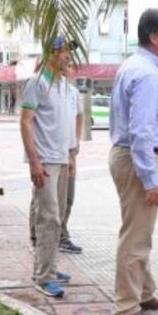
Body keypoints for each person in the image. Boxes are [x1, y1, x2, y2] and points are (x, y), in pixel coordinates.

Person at [109, 8, 158, 315]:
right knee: (136, 236)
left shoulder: (135, 66)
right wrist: (151, 178)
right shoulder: (146, 74)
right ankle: (126, 306)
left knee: (140, 230)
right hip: (139, 159)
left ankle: (144, 291)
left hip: (131, 156)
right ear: (154, 37)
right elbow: (140, 132)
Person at [21, 35, 74, 298]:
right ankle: (43, 278)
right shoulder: (37, 82)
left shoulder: (62, 85)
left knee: (58, 217)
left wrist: (71, 157)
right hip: (45, 162)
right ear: (51, 53)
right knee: (48, 218)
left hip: (61, 160)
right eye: (63, 51)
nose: (68, 56)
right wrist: (34, 162)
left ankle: (49, 267)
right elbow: (26, 122)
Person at [59, 63, 84, 254]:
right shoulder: (43, 87)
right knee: (48, 199)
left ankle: (62, 234)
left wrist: (75, 145)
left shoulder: (72, 92)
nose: (66, 66)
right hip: (51, 153)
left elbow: (79, 116)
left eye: (68, 63)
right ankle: (39, 236)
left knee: (68, 195)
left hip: (68, 150)